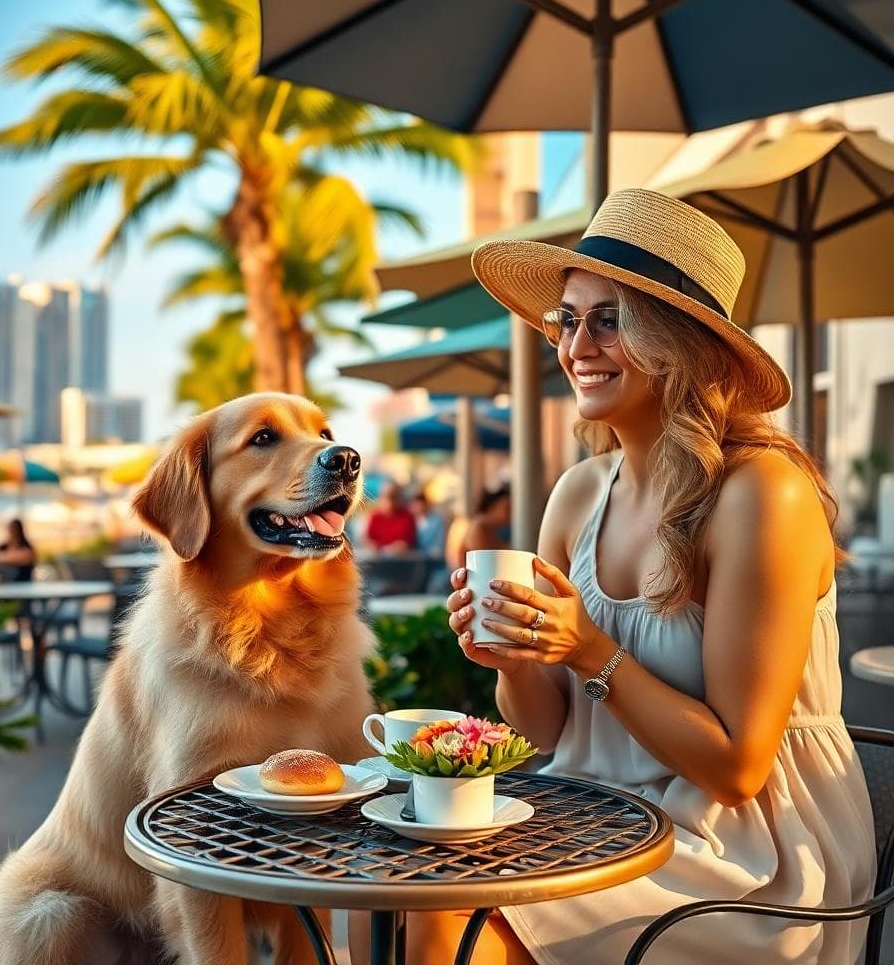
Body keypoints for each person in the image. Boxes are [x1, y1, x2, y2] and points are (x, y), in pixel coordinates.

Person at [352, 190, 875, 965]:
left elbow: (737, 767)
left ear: (683, 341)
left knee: (450, 919)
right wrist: (516, 659)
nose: (577, 346)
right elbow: (544, 733)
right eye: (568, 319)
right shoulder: (577, 495)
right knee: (386, 878)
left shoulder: (762, 493)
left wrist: (591, 650)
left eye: (610, 319)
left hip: (750, 852)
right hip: (604, 817)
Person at [447, 484, 511, 571]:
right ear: (492, 508)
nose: (511, 513)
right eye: (507, 508)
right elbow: (486, 565)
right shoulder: (477, 527)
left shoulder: (490, 529)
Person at [363, 482, 417, 554]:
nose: (390, 501)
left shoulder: (408, 517)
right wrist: (372, 545)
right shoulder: (375, 516)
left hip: (400, 560)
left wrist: (402, 546)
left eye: (394, 497)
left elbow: (410, 542)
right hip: (378, 559)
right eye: (386, 497)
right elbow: (366, 539)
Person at [409, 490, 448, 561]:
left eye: (420, 505)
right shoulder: (411, 521)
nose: (418, 508)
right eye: (415, 505)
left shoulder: (437, 521)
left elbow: (438, 547)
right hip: (414, 562)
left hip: (432, 562)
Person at [0, 518, 36, 582]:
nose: (13, 532)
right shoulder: (2, 547)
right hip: (5, 583)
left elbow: (27, 557)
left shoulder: (27, 546)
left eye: (15, 529)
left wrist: (5, 557)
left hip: (23, 582)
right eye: (11, 529)